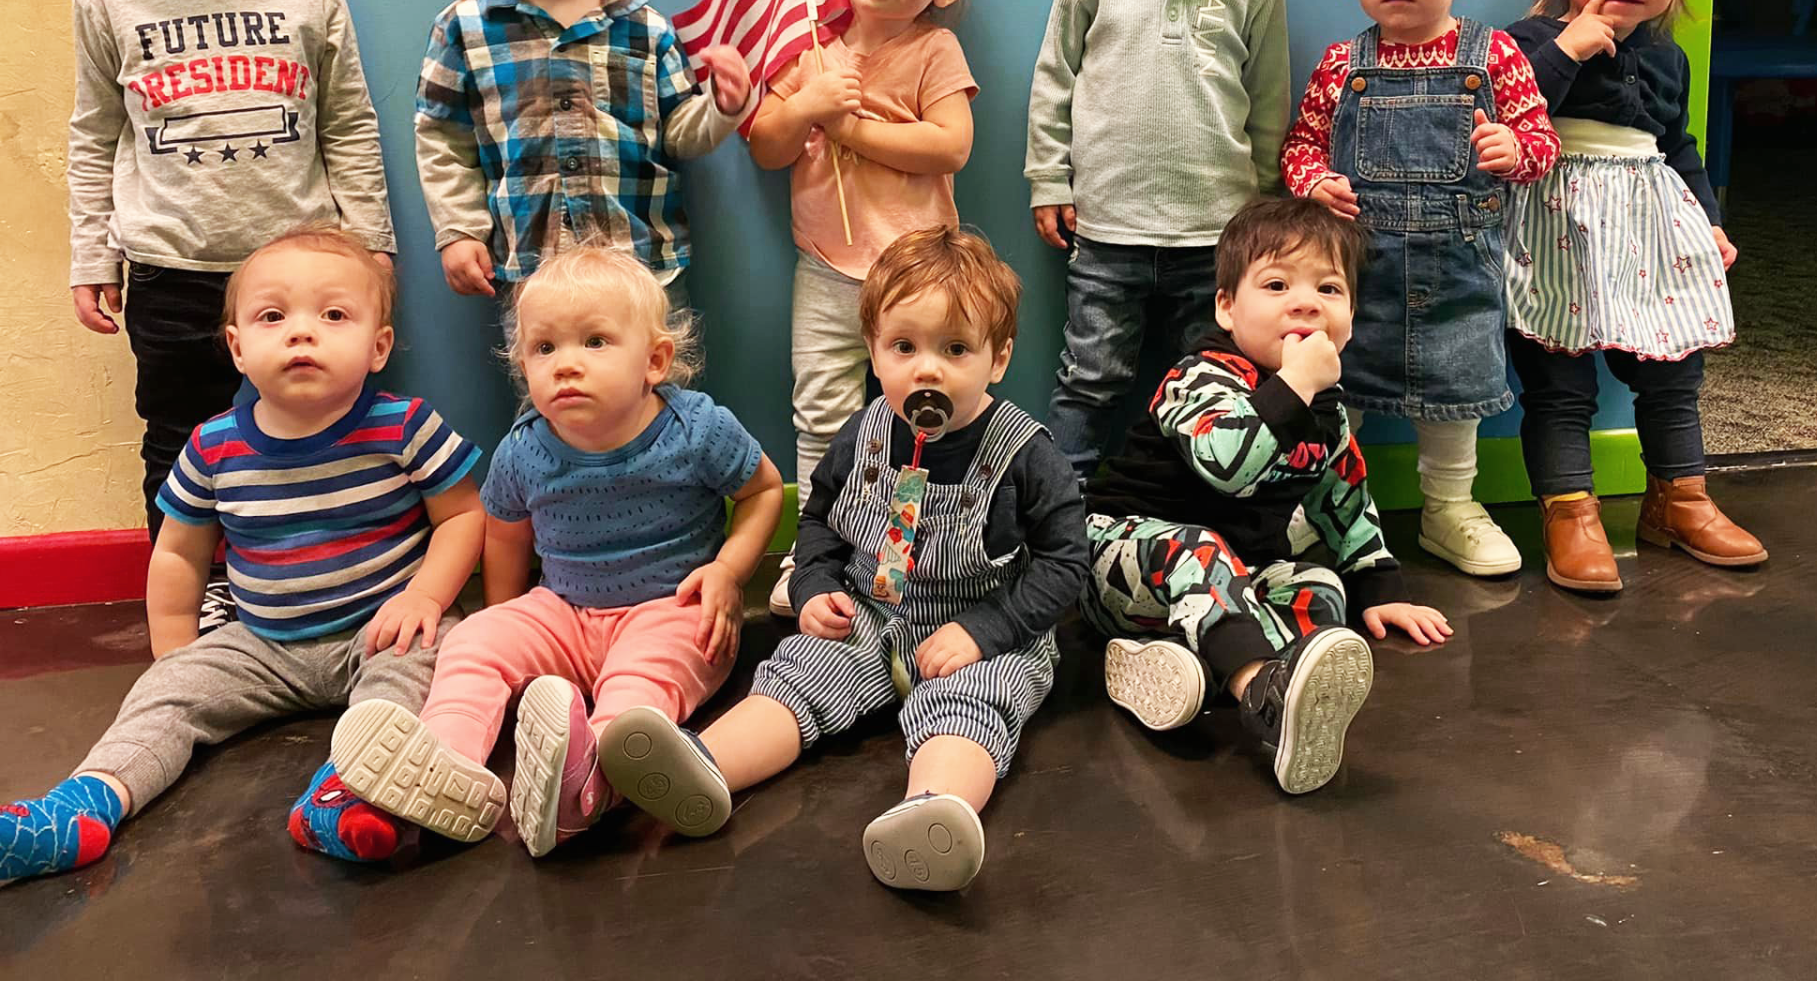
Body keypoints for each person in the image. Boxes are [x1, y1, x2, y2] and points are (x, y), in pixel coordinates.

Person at [582, 227, 1085, 893]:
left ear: (998, 358)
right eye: (904, 347)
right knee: (801, 670)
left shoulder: (1026, 454)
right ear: (874, 351)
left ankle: (933, 811)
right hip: (873, 609)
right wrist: (817, 584)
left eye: (955, 349)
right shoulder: (866, 433)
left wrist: (984, 632)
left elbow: (1064, 565)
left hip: (986, 627)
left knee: (975, 701)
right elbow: (818, 519)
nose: (925, 369)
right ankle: (706, 767)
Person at [1, 229, 485, 884]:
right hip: (258, 642)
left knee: (427, 667)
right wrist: (177, 651)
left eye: (333, 315)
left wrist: (425, 596)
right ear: (237, 346)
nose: (301, 333)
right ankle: (84, 806)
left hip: (379, 627)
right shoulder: (213, 446)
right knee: (165, 697)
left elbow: (463, 514)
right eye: (272, 316)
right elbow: (178, 552)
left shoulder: (404, 426)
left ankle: (347, 796)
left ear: (378, 348)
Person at [64, 0, 395, 631]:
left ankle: (341, 578)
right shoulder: (106, 3)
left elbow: (349, 125)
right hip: (171, 270)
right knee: (182, 441)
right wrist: (92, 253)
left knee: (323, 431)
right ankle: (197, 597)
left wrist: (371, 248)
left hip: (301, 276)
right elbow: (96, 137)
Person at [329, 246, 783, 856]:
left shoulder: (695, 428)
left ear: (654, 361)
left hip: (670, 609)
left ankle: (587, 787)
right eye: (545, 349)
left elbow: (764, 489)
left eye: (594, 342)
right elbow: (507, 532)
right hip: (563, 610)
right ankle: (444, 763)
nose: (565, 365)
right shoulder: (524, 449)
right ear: (523, 364)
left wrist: (729, 571)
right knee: (471, 642)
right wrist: (503, 617)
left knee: (640, 690)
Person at [1082, 196, 1452, 795]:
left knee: (1320, 589)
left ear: (1351, 317)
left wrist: (1380, 587)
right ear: (1227, 307)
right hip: (1122, 559)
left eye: (1329, 290)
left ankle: (1183, 670)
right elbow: (1227, 465)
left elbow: (1346, 500)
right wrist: (1296, 383)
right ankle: (1264, 695)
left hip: (1230, 575)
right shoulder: (1197, 377)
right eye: (1277, 285)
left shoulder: (1325, 412)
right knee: (1197, 550)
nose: (1306, 302)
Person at [1283, 0, 1560, 576]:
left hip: (1460, 269)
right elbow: (1300, 146)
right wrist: (1313, 182)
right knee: (1336, 395)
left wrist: (1512, 148)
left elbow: (1542, 145)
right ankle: (1330, 508)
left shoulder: (1496, 55)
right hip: (1356, 272)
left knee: (1458, 397)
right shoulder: (1344, 64)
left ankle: (1450, 509)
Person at [1504, 0, 1766, 593]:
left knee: (1673, 368)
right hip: (1558, 226)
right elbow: (1510, 116)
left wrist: (1709, 221)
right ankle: (1569, 510)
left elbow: (1678, 145)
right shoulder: (1526, 41)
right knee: (1559, 378)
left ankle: (1679, 496)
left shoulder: (1669, 57)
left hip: (1650, 227)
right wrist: (1567, 49)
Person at [1025, 0, 1297, 481]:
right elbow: (1056, 79)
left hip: (1215, 233)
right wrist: (1049, 177)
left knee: (1208, 387)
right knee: (1090, 378)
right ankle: (1063, 512)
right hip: (1107, 227)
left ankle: (1190, 505)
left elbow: (1269, 100)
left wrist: (1263, 203)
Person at [750, 0, 987, 618]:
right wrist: (805, 106)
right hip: (824, 270)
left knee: (926, 413)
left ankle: (917, 548)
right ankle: (813, 553)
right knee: (820, 414)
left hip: (918, 280)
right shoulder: (808, 47)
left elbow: (951, 146)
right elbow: (766, 148)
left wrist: (850, 125)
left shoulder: (933, 52)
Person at [414, 0, 751, 310]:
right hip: (533, 275)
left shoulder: (645, 28)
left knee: (661, 388)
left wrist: (723, 108)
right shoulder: (465, 28)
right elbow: (442, 139)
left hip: (643, 269)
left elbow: (679, 134)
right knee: (549, 391)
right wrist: (459, 230)